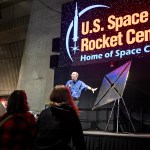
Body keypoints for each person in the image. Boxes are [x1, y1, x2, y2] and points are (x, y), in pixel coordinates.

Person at [33, 85, 87, 150]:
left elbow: (37, 134)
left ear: (53, 95)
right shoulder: (70, 114)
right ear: (68, 96)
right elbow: (79, 140)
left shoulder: (44, 112)